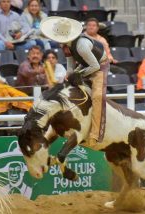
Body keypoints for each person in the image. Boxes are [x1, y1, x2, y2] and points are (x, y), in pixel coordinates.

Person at [40, 16, 110, 146]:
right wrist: (70, 74)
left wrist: (78, 74)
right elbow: (70, 61)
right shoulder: (66, 45)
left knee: (97, 96)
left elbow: (95, 67)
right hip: (85, 64)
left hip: (100, 65)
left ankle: (95, 134)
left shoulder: (82, 45)